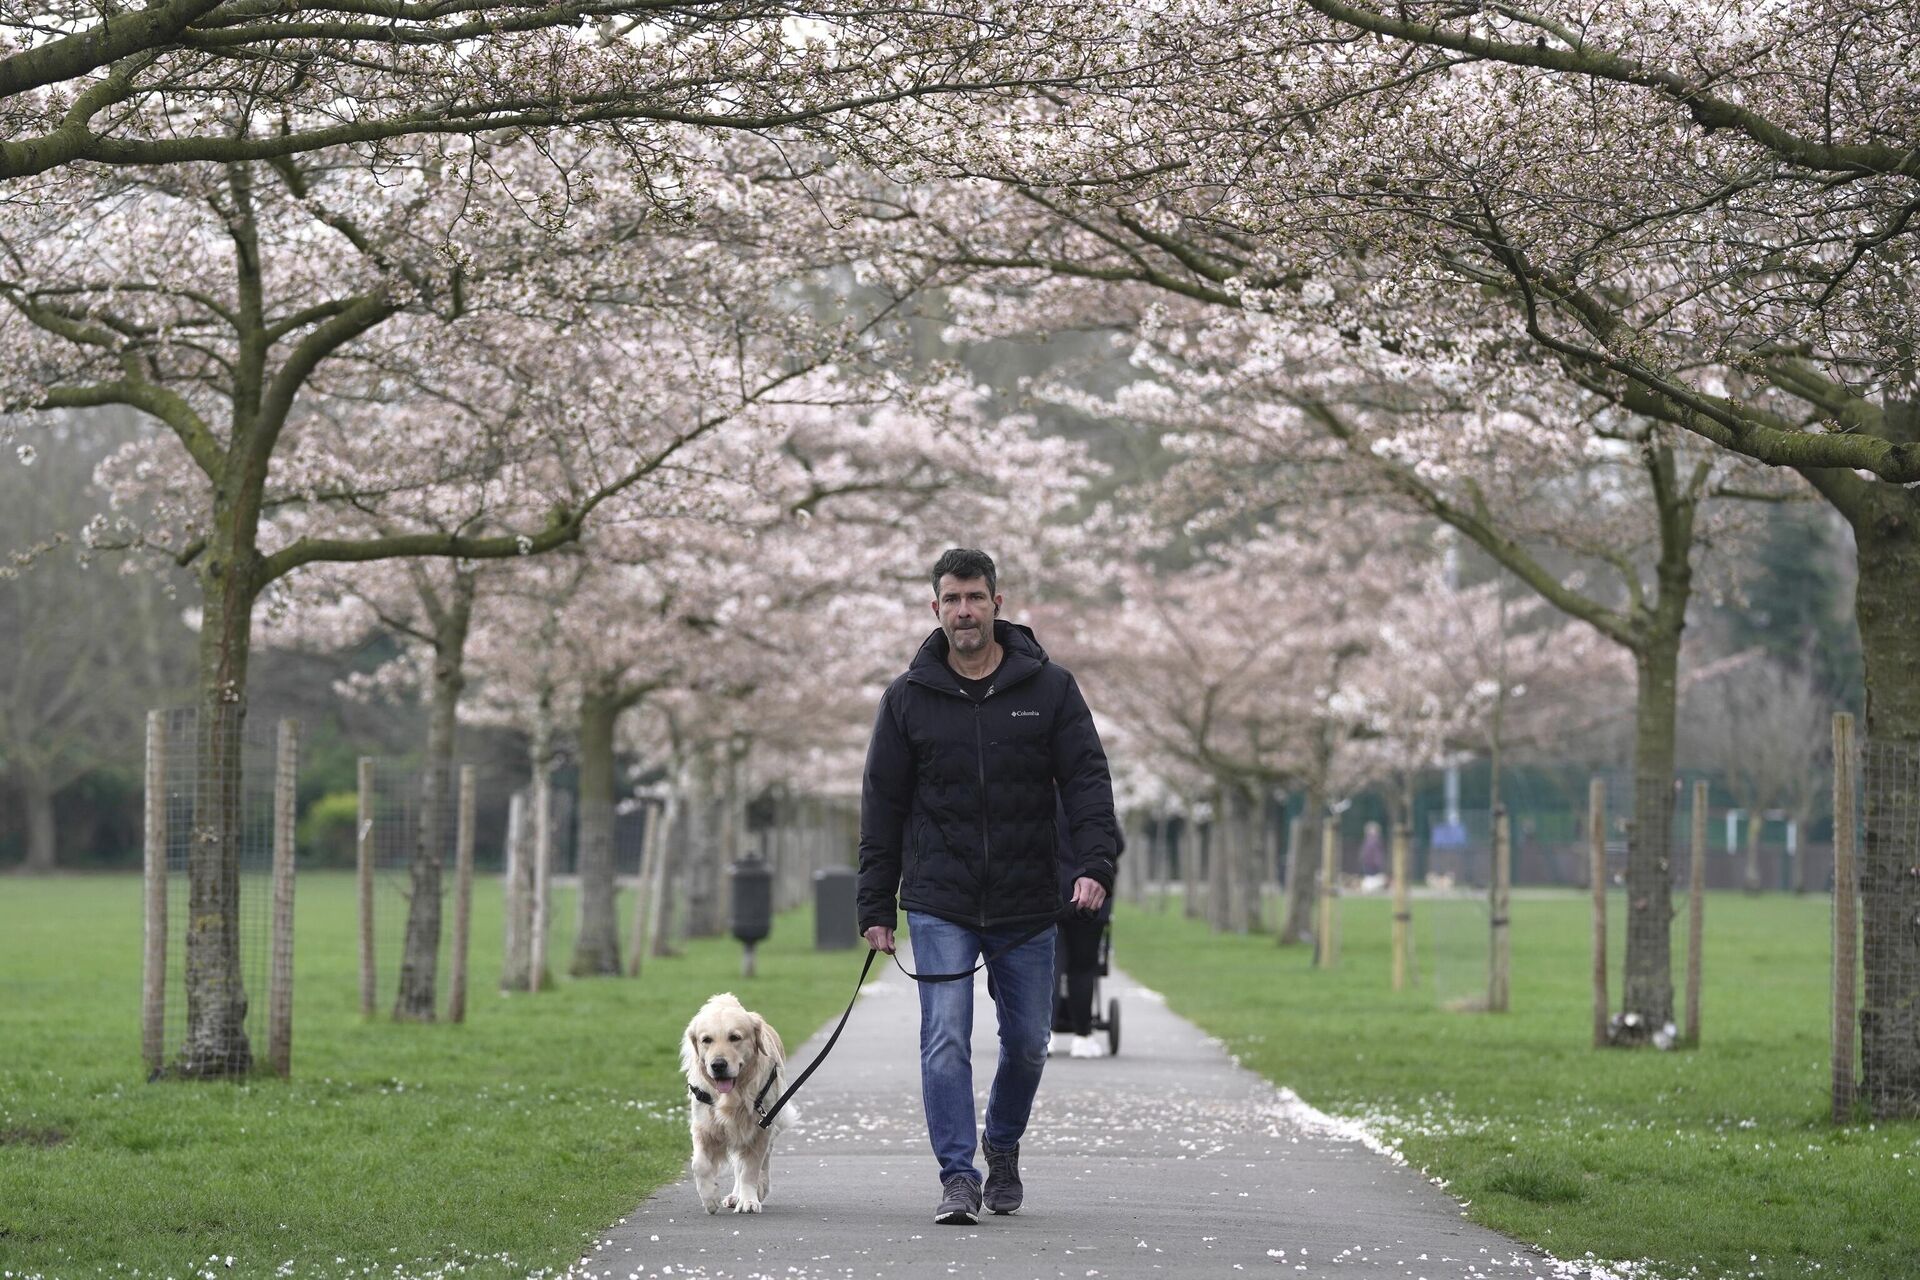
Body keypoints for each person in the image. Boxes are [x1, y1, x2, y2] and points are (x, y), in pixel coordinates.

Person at [858, 548, 1121, 1226]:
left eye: (975, 597)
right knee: (944, 1037)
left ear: (997, 603)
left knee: (1030, 1040)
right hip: (940, 897)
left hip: (1028, 896)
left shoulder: (1050, 688)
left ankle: (1000, 1146)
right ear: (935, 608)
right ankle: (957, 1176)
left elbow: (1088, 779)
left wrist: (1093, 864)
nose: (964, 611)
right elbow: (882, 805)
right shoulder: (907, 698)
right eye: (952, 599)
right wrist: (874, 903)